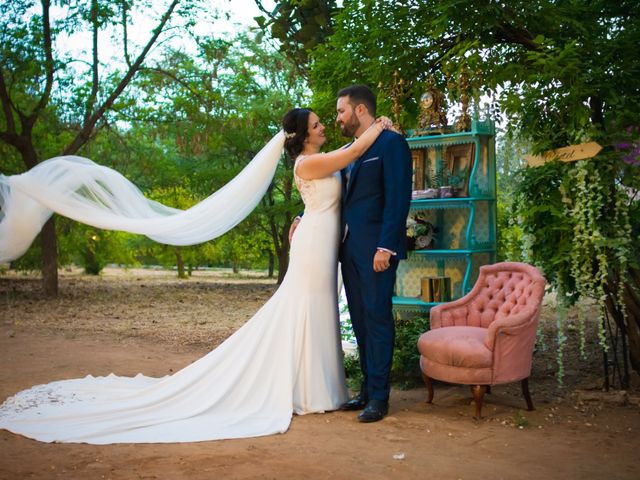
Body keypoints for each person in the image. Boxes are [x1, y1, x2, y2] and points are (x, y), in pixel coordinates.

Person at [0, 108, 392, 444]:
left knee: (319, 309)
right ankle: (308, 391)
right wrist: (381, 124)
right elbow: (354, 150)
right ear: (304, 135)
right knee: (304, 308)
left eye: (325, 122)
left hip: (321, 242)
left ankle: (321, 387)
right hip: (311, 249)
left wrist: (302, 215)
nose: (324, 127)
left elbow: (341, 166)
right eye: (318, 124)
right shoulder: (307, 163)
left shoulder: (321, 159)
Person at [335, 85, 413, 423]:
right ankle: (366, 389)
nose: (337, 118)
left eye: (341, 111)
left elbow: (398, 199)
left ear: (360, 110)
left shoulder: (391, 144)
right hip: (348, 250)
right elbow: (335, 198)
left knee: (378, 319)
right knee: (360, 319)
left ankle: (380, 398)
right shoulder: (350, 151)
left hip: (377, 251)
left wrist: (386, 246)